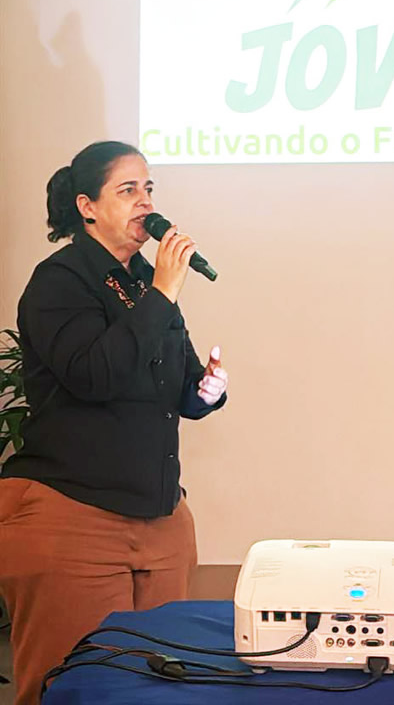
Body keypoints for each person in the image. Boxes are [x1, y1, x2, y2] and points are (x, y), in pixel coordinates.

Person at [0, 141, 228, 705]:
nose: (145, 202)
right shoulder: (59, 281)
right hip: (72, 517)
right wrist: (165, 291)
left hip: (160, 516)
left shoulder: (145, 283)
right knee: (69, 685)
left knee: (159, 687)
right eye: (128, 190)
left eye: (149, 189)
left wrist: (205, 390)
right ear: (87, 206)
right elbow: (95, 375)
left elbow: (177, 381)